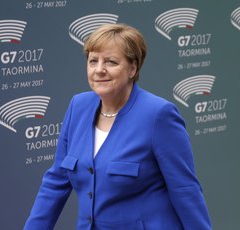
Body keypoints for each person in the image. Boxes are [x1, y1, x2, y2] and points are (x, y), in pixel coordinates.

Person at [24, 23, 211, 230]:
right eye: (93, 61)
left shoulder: (159, 115)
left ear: (133, 68)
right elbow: (55, 182)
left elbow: (185, 190)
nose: (99, 70)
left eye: (111, 62)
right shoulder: (78, 106)